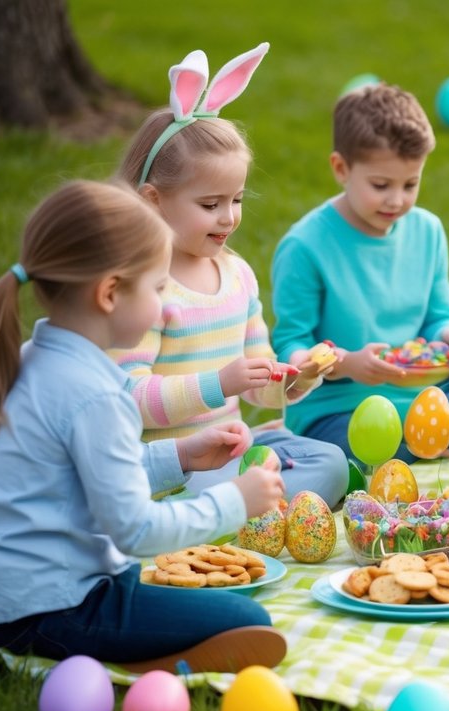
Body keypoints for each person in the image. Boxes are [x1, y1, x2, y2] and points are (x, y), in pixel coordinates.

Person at [0, 180, 289, 673]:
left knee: (193, 604)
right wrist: (236, 502)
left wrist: (179, 455)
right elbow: (137, 529)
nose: (166, 305)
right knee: (246, 615)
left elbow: (90, 470)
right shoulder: (94, 394)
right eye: (158, 288)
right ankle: (145, 662)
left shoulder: (33, 360)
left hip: (8, 601)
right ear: (110, 293)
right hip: (55, 609)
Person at [113, 44, 348, 506]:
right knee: (223, 488)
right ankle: (237, 509)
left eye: (236, 199)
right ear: (153, 199)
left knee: (333, 463)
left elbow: (261, 384)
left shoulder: (237, 276)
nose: (228, 218)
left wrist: (297, 377)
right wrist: (219, 383)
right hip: (167, 464)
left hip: (233, 449)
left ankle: (246, 509)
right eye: (209, 205)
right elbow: (130, 399)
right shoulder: (144, 287)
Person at [270, 81, 449, 464]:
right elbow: (291, 347)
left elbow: (438, 316)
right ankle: (440, 437)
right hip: (342, 409)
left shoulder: (427, 231)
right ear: (341, 168)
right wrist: (344, 362)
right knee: (353, 448)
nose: (397, 200)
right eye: (380, 185)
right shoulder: (305, 246)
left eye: (411, 184)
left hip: (423, 393)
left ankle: (431, 437)